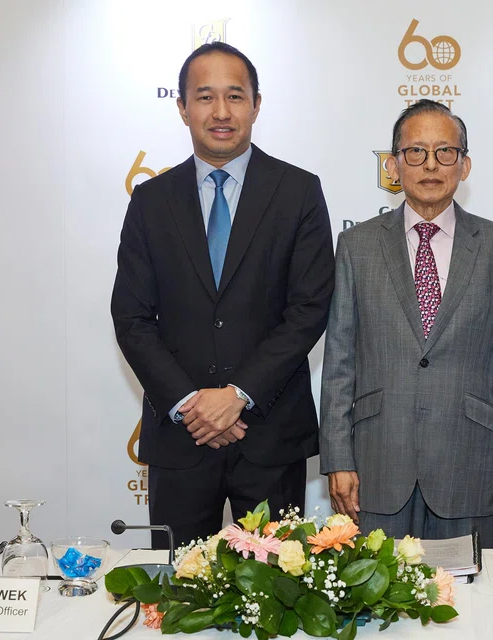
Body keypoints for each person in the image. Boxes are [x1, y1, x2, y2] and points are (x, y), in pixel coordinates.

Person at [110, 42, 334, 548]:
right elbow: (131, 317)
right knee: (179, 588)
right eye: (205, 97)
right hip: (181, 437)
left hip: (269, 434)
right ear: (182, 107)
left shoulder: (298, 191)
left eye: (234, 96)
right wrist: (193, 405)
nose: (221, 112)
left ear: (256, 105)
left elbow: (309, 309)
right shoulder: (150, 200)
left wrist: (238, 396)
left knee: (278, 586)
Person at [319, 99, 493, 549]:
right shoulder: (356, 246)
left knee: (467, 590)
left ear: (464, 165)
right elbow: (339, 361)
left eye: (445, 152)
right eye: (416, 152)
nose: (431, 165)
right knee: (377, 590)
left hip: (471, 464)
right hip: (377, 464)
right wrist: (337, 458)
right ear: (394, 165)